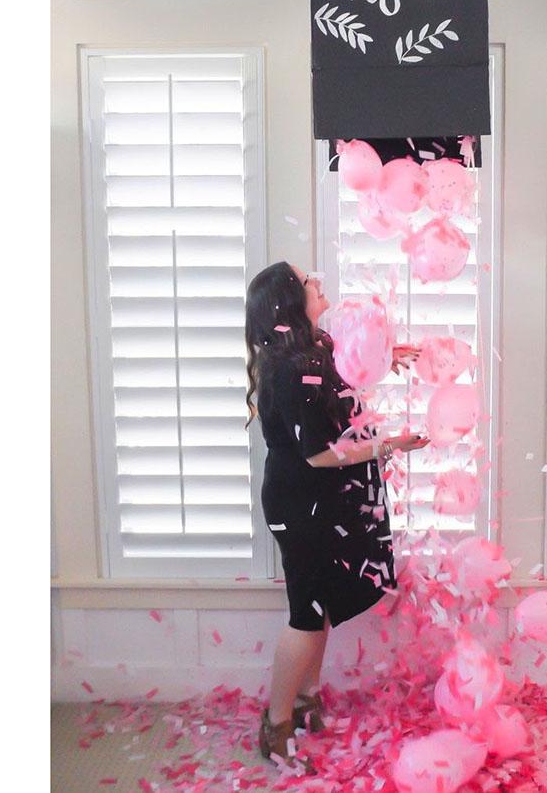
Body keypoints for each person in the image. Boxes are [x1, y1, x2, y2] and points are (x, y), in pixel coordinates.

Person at [244, 260, 428, 767]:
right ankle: (276, 724)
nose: (317, 283)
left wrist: (386, 357)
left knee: (320, 607)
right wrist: (389, 445)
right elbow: (320, 454)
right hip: (301, 504)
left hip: (324, 499)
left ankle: (306, 702)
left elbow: (342, 374)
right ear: (288, 301)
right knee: (307, 616)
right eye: (307, 282)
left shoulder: (314, 347)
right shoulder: (286, 369)